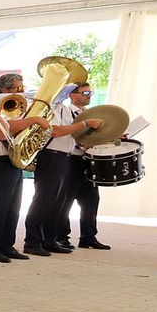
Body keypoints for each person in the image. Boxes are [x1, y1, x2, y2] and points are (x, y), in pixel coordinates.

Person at [22, 85, 101, 256]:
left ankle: (49, 240)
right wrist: (84, 123)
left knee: (56, 202)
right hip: (50, 155)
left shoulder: (64, 109)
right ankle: (32, 241)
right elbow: (55, 132)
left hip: (65, 156)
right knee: (43, 199)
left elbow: (70, 132)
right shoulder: (47, 109)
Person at [0, 73, 47, 263]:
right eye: (18, 88)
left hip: (12, 158)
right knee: (0, 206)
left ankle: (7, 245)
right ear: (5, 89)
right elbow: (5, 127)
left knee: (14, 206)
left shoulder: (19, 103)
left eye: (22, 87)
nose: (22, 91)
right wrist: (32, 120)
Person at [62, 82, 110, 250]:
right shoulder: (67, 112)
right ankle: (62, 237)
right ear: (72, 95)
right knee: (66, 199)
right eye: (85, 93)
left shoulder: (90, 114)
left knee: (91, 199)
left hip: (87, 160)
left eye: (90, 92)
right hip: (71, 159)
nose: (88, 95)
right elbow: (65, 134)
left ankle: (88, 237)